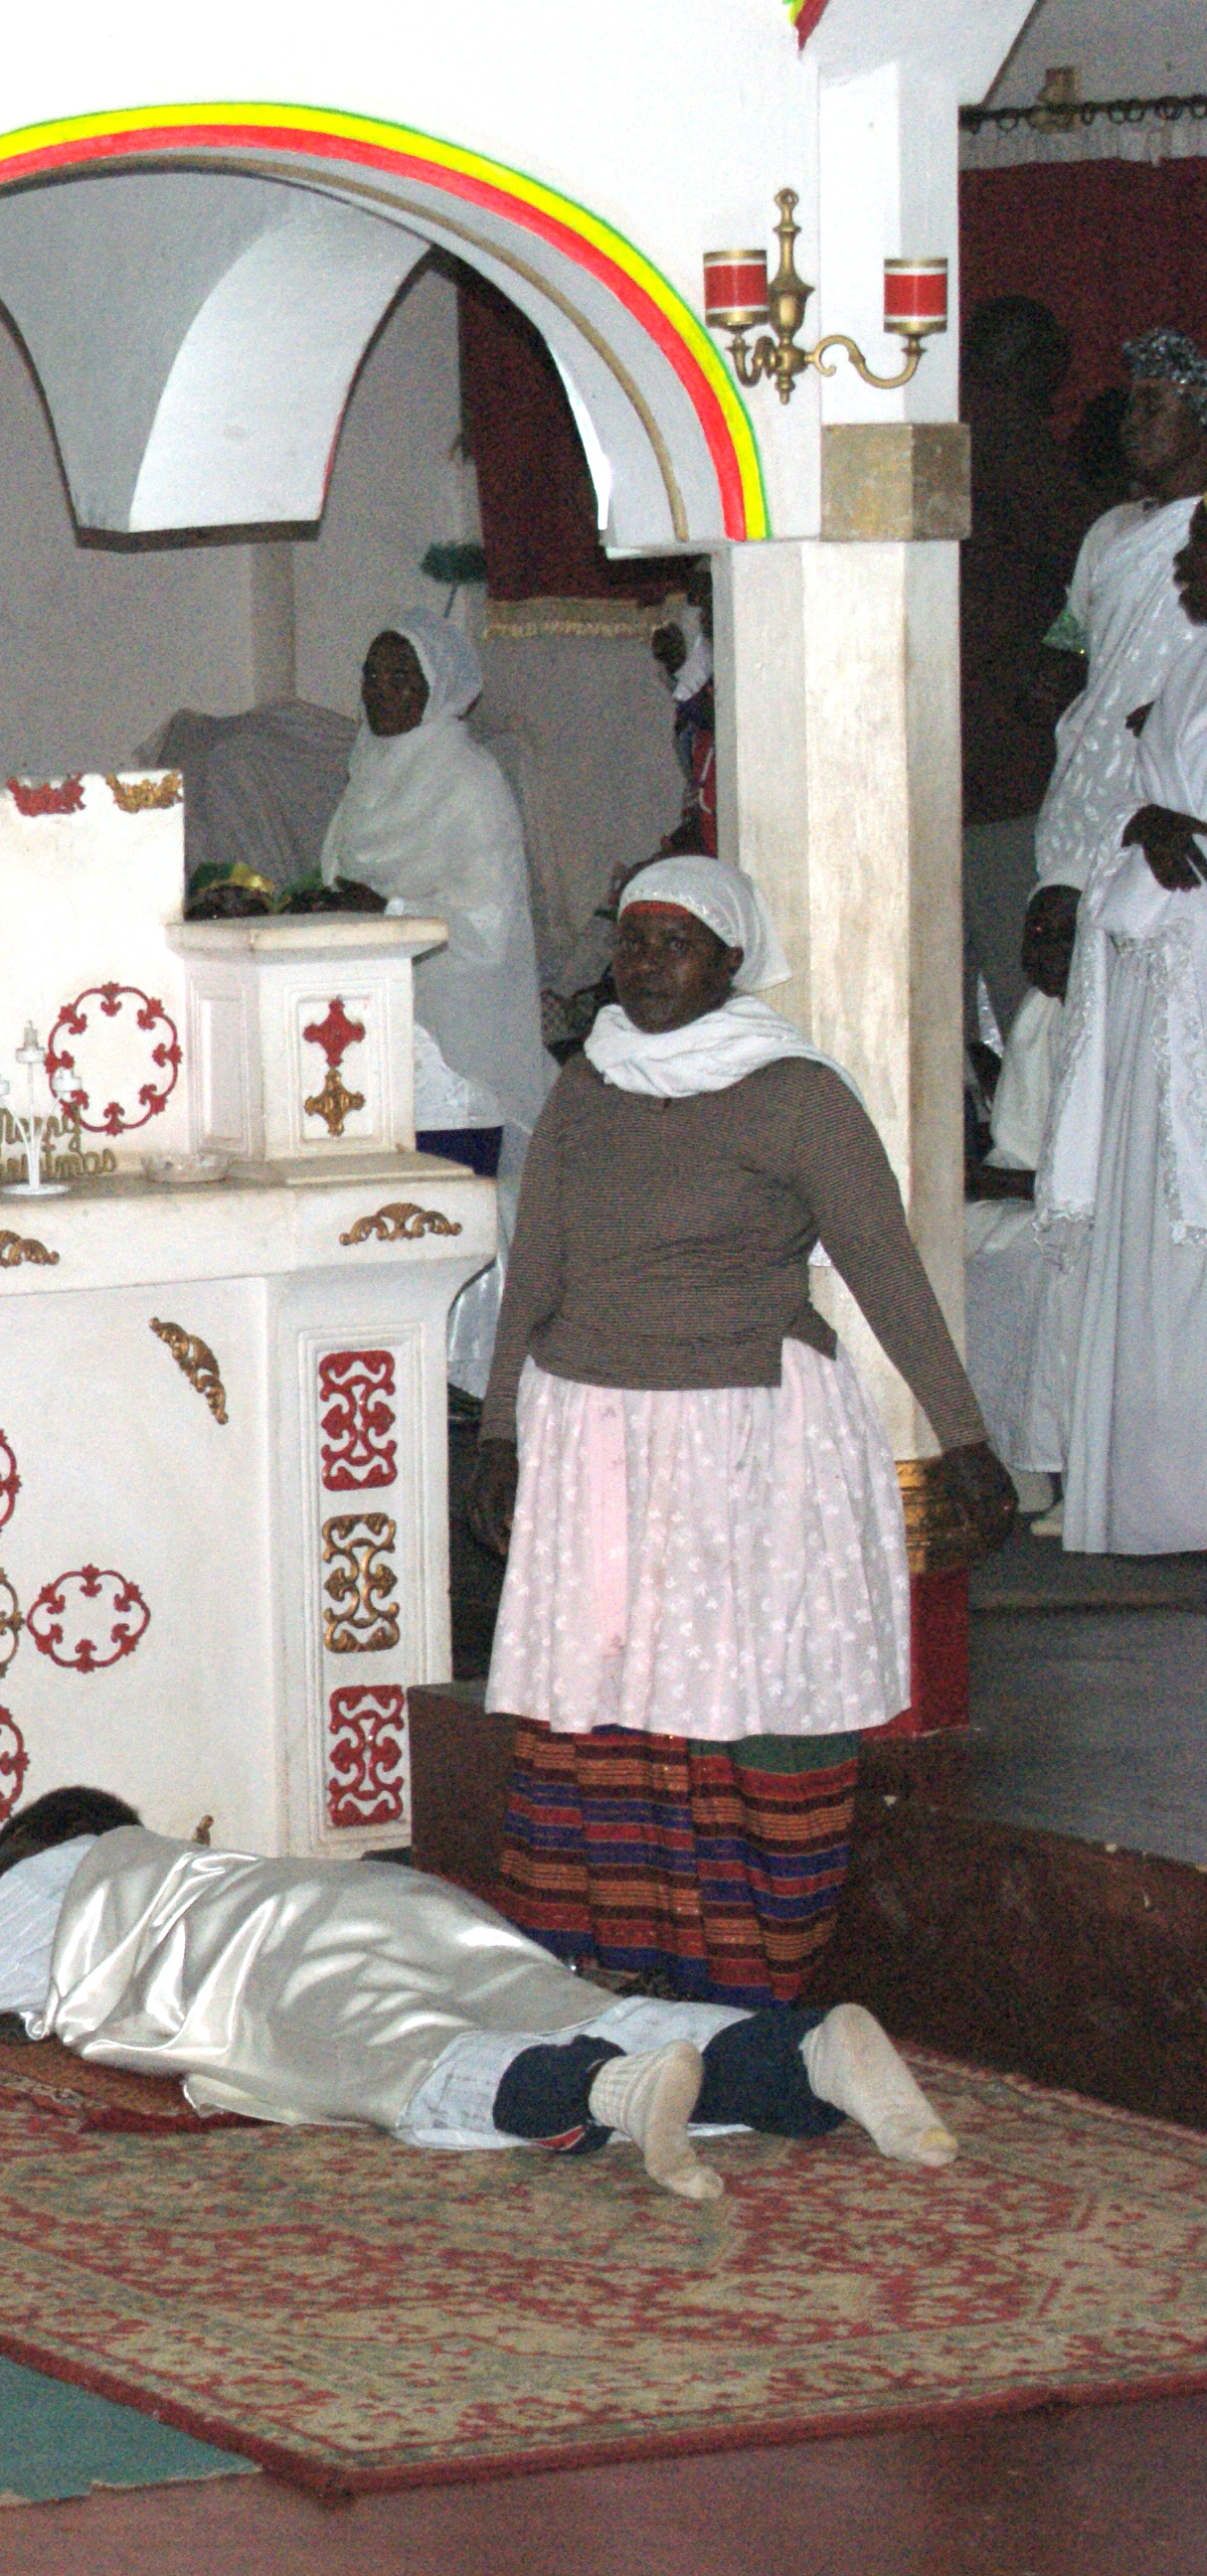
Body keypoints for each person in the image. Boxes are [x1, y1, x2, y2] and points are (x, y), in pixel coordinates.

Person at [466, 859, 1016, 2005]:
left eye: (673, 943)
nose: (642, 964)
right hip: (591, 1436)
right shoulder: (586, 1087)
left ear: (729, 959)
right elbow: (533, 1278)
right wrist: (498, 1436)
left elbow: (884, 1270)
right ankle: (612, 1954)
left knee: (736, 1692)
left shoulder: (793, 1095)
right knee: (604, 1692)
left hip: (742, 1441)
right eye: (630, 940)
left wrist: (961, 1437)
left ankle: (745, 1969)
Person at [0, 1787, 960, 2203]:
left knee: (392, 2061)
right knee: (549, 1998)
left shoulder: (60, 1878)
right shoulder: (210, 1863)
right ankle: (802, 2054)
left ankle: (609, 2095)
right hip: (392, 1902)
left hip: (284, 1966)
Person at [1038, 513, 1207, 1555]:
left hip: (1193, 978)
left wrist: (1166, 824)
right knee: (1155, 1234)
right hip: (1165, 983)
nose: (1187, 561)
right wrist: (1146, 821)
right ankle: (1164, 1493)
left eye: (1204, 546)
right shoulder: (1188, 669)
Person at [318, 613, 550, 1182]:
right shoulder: (366, 773)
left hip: (451, 1042)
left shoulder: (470, 781)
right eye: (371, 676)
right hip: (371, 1026)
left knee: (450, 1199)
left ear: (437, 688)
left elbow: (490, 923)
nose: (381, 692)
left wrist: (392, 911)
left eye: (401, 678)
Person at [1028, 333, 1207, 920]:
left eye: (1154, 407)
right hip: (1094, 771)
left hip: (1178, 784)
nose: (1132, 425)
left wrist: (1175, 712)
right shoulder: (1111, 530)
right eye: (1131, 407)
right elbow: (1073, 641)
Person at [961, 299, 1103, 1013]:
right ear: (1026, 361)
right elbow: (1098, 562)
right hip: (1005, 752)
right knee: (1033, 1001)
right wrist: (1065, 655)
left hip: (936, 746)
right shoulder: (1005, 428)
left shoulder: (939, 416)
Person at [963, 884, 1077, 1522]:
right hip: (1027, 1194)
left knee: (1034, 1265)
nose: (1043, 951)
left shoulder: (1116, 1017)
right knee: (939, 1246)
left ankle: (1063, 1470)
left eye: (1063, 936)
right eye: (1035, 935)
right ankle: (1009, 1460)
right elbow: (1022, 1139)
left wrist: (985, 1181)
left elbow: (1099, 1176)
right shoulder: (1042, 1010)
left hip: (1083, 1213)